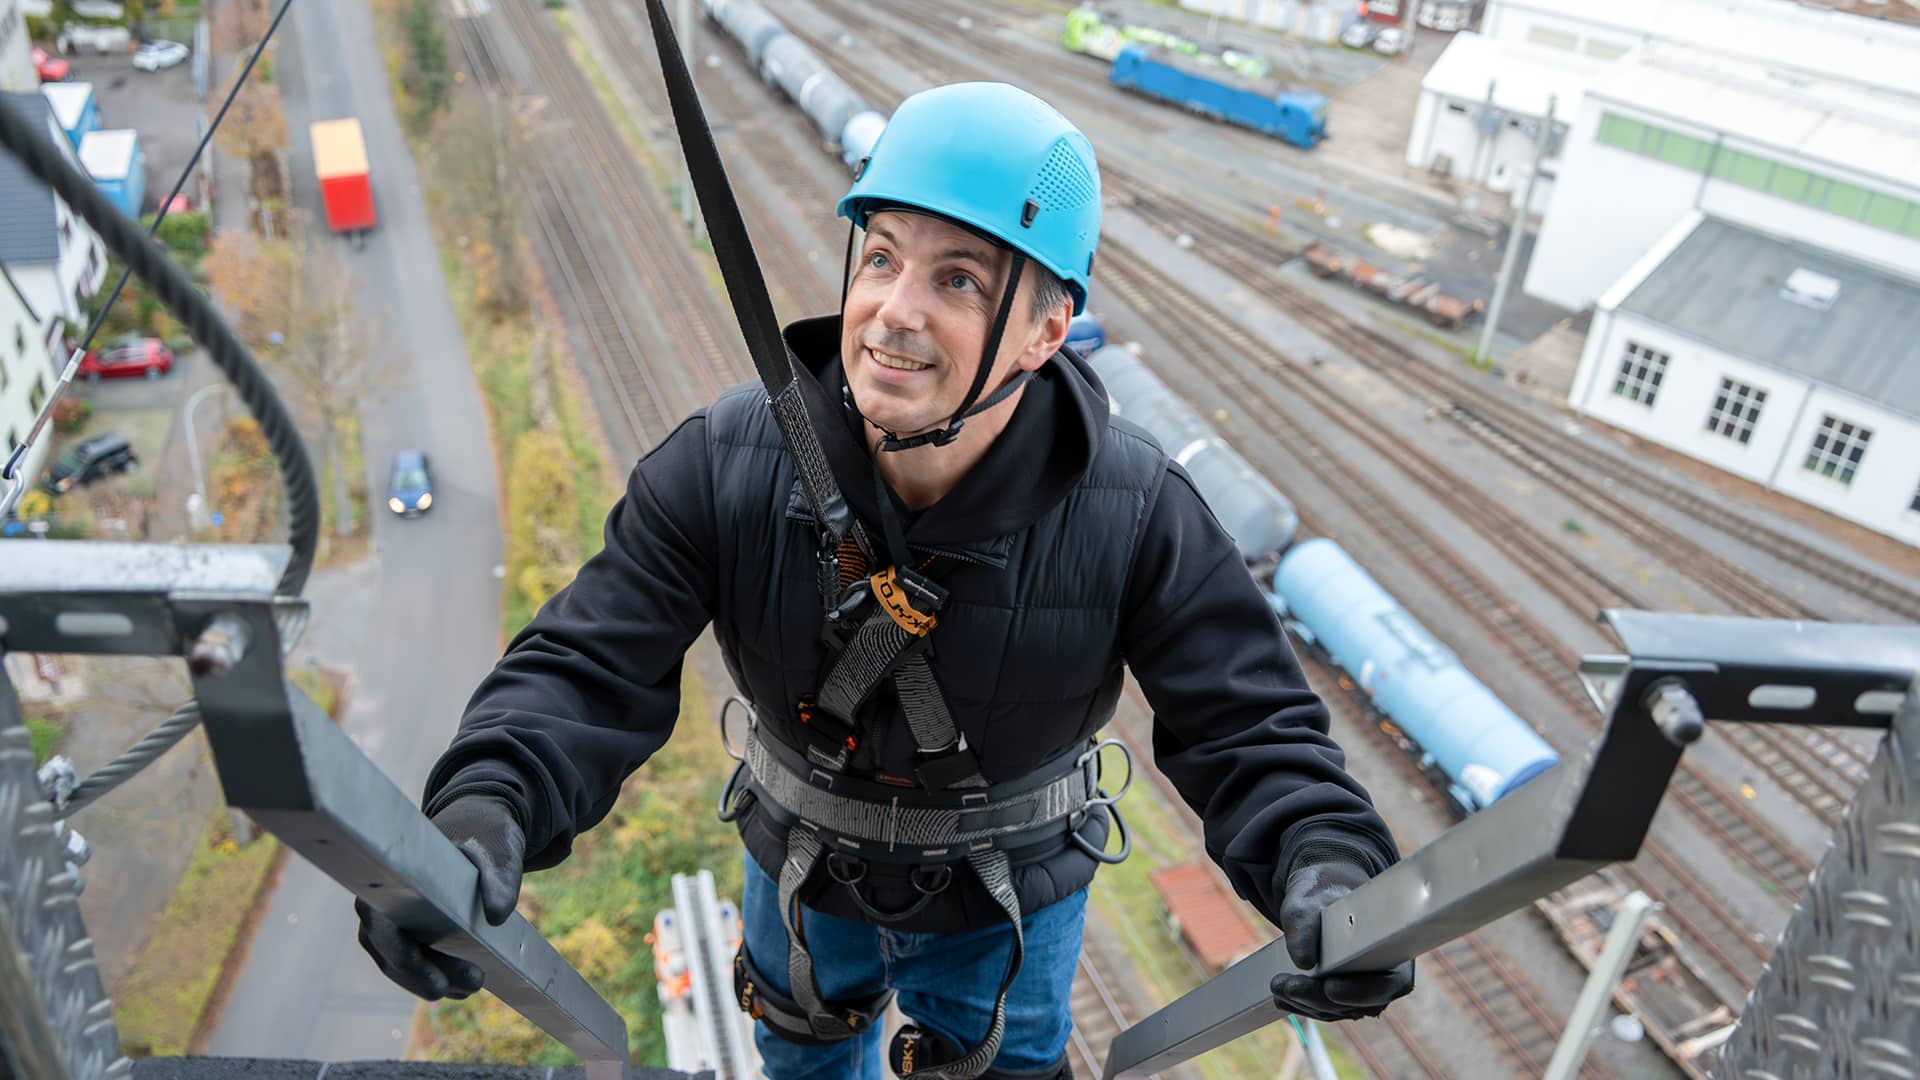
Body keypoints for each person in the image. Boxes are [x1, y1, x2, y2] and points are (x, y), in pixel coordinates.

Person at [355, 81, 1413, 1079]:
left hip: (1007, 896)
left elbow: (1251, 729)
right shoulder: (727, 463)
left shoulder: (1130, 513)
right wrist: (479, 816)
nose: (894, 311)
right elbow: (586, 666)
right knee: (804, 1055)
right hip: (802, 870)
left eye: (958, 280)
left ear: (1047, 331)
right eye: (882, 259)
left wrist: (1326, 864)